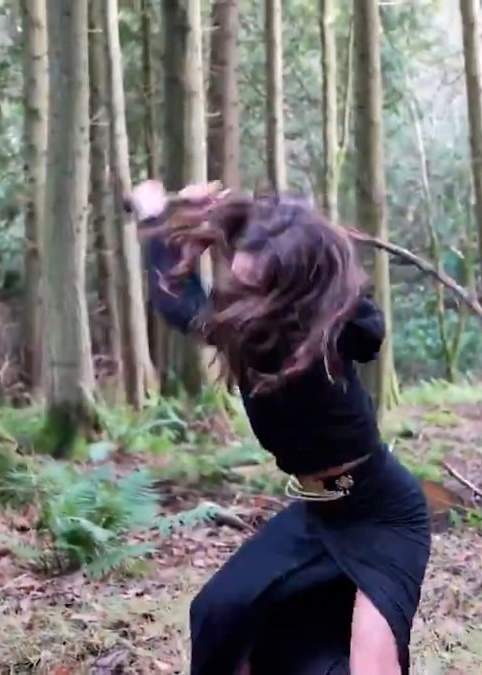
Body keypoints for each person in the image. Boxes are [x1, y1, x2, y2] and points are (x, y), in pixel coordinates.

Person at [125, 179, 432, 675]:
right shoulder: (242, 332)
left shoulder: (334, 331)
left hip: (382, 514)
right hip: (318, 514)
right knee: (221, 616)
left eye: (254, 282)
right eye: (239, 278)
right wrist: (155, 217)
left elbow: (368, 328)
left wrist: (313, 243)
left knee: (369, 667)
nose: (240, 291)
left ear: (290, 282)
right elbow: (174, 298)